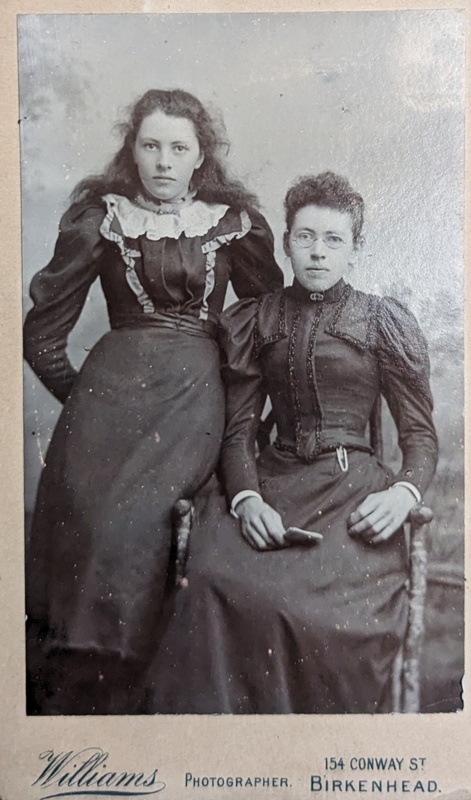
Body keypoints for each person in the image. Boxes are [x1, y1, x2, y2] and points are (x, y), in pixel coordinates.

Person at [24, 88, 283, 715]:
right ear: (132, 150)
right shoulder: (101, 219)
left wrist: (242, 405)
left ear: (201, 157)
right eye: (151, 145)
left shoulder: (232, 225)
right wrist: (85, 398)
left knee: (151, 541)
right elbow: (41, 336)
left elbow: (272, 324)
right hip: (101, 417)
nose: (164, 161)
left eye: (179, 147)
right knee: (88, 549)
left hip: (197, 403)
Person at [148, 171, 438, 714]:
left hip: (354, 496)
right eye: (305, 237)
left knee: (317, 617)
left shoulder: (381, 321)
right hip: (274, 482)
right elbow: (238, 431)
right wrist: (247, 498)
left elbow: (419, 436)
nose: (318, 252)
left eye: (334, 240)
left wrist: (404, 494)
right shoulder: (259, 319)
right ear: (286, 244)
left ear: (354, 249)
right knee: (210, 586)